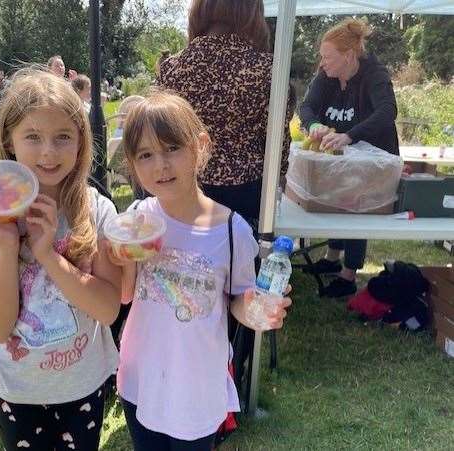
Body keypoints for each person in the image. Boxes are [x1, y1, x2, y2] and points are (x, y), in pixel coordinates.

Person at [108, 92, 291, 451]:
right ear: (132, 163)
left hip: (197, 383)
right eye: (145, 155)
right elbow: (125, 295)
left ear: (200, 146)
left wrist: (256, 310)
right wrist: (121, 260)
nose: (160, 165)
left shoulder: (232, 230)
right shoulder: (137, 219)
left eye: (172, 148)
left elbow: (238, 301)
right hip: (141, 376)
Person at [0, 69, 121, 451]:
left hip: (81, 386)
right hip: (16, 391)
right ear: (9, 141)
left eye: (63, 137)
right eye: (33, 136)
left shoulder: (96, 211)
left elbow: (108, 308)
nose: (48, 151)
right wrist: (9, 248)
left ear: (81, 142)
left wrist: (48, 254)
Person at [158, 0, 293, 223]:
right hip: (247, 188)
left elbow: (160, 133)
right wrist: (280, 174)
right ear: (252, 13)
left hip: (186, 182)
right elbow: (277, 138)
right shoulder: (268, 69)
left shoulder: (172, 69)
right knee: (243, 254)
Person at [299, 18, 399, 298]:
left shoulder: (374, 74)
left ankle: (349, 274)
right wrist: (314, 124)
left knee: (356, 205)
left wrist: (349, 135)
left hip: (374, 156)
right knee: (336, 198)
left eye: (328, 57)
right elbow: (307, 106)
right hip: (343, 153)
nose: (323, 62)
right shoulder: (326, 75)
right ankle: (332, 258)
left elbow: (387, 111)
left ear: (349, 56)